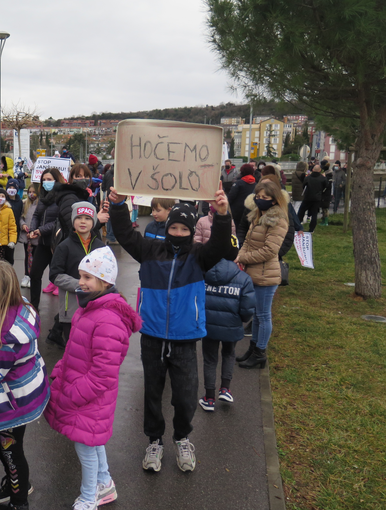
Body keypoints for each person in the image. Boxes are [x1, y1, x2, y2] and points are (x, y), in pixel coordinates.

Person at [106, 183, 235, 474]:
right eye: (173, 228)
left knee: (185, 396)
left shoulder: (199, 256)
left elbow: (221, 245)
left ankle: (182, 438)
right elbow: (125, 234)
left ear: (191, 232)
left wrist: (223, 214)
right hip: (151, 335)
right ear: (167, 229)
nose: (177, 234)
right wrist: (117, 205)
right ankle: (154, 440)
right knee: (152, 393)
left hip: (186, 339)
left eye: (184, 230)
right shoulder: (149, 250)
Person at [44, 247, 141, 510]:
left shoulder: (107, 319)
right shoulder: (88, 308)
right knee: (92, 442)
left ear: (105, 282)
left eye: (88, 277)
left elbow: (103, 374)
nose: (81, 282)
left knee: (86, 448)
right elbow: (73, 350)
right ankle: (104, 483)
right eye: (81, 275)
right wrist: (59, 374)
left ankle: (89, 497)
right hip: (80, 392)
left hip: (88, 398)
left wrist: (72, 394)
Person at [0, 259, 50, 510]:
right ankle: (17, 484)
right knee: (3, 443)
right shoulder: (18, 306)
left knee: (12, 453)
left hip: (11, 404)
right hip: (23, 393)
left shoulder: (3, 335)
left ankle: (19, 500)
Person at [235, 179, 288, 369]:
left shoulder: (278, 220)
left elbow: (269, 251)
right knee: (256, 315)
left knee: (263, 315)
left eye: (264, 197)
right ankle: (253, 348)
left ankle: (260, 353)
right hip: (254, 273)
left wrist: (245, 258)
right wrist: (241, 255)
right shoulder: (258, 215)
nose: (259, 200)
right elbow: (249, 240)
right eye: (257, 196)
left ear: (274, 200)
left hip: (266, 275)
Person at [198, 259, 255, 412]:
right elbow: (248, 307)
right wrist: (241, 320)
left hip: (208, 325)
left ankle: (209, 398)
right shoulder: (243, 278)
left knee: (210, 359)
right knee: (229, 354)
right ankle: (225, 389)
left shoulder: (203, 275)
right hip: (232, 325)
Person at [48, 202, 105, 348]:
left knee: (92, 347)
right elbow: (55, 275)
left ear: (94, 222)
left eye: (87, 218)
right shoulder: (64, 246)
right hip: (71, 309)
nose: (83, 221)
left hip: (96, 307)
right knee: (74, 348)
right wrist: (80, 285)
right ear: (73, 221)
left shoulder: (101, 247)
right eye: (79, 218)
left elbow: (107, 275)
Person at [28, 168, 66, 309]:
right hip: (43, 244)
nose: (46, 182)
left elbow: (58, 220)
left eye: (49, 179)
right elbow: (36, 215)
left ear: (57, 180)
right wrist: (33, 230)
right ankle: (34, 306)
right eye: (44, 180)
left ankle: (63, 313)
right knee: (35, 274)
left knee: (59, 279)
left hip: (57, 245)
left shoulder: (62, 197)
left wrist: (40, 230)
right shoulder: (42, 198)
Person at [19, 184, 40, 288]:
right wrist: (23, 225)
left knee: (35, 257)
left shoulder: (40, 205)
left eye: (33, 192)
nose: (31, 194)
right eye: (29, 192)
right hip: (26, 236)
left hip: (36, 236)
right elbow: (21, 217)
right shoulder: (25, 204)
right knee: (27, 256)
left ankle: (33, 276)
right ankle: (26, 275)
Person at [297, 164, 327, 233]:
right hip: (317, 198)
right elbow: (326, 186)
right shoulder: (322, 178)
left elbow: (304, 185)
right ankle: (311, 229)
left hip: (307, 197)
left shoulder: (308, 177)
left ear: (313, 170)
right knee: (314, 214)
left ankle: (298, 225)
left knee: (301, 211)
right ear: (320, 170)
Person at [320, 159, 333, 226]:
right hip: (325, 193)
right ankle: (323, 220)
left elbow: (327, 185)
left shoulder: (328, 175)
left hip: (326, 193)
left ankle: (325, 221)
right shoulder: (326, 174)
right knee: (323, 207)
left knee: (325, 207)